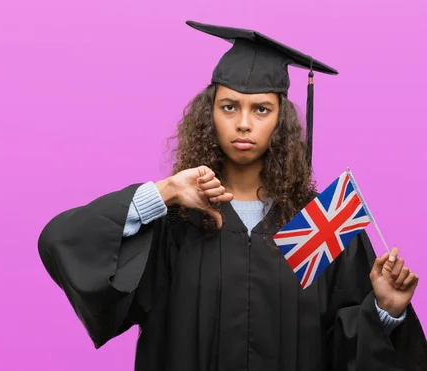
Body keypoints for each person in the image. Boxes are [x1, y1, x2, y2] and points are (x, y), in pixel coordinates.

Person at [37, 20, 427, 371]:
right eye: (229, 107)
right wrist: (167, 191)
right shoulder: (175, 223)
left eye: (260, 109)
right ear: (210, 115)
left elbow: (343, 349)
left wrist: (386, 311)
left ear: (281, 121)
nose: (243, 124)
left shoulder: (320, 224)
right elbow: (63, 241)